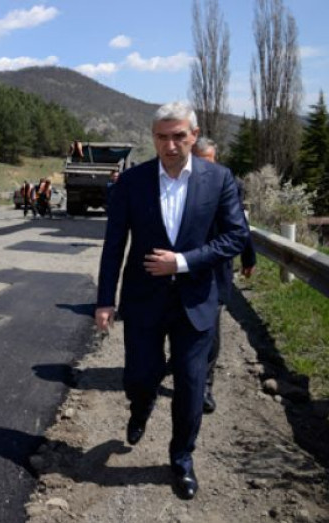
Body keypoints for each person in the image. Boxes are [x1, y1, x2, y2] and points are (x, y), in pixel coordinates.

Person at [95, 101, 249, 500]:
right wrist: (104, 300)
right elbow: (114, 245)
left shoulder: (219, 180)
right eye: (162, 137)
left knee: (191, 386)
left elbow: (236, 236)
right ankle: (141, 405)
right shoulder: (133, 182)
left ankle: (181, 459)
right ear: (153, 138)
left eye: (179, 136)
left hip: (196, 302)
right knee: (139, 377)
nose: (170, 145)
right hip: (144, 300)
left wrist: (182, 262)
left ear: (193, 136)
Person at [191, 137, 257, 414]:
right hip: (185, 265)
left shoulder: (228, 183)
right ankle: (184, 367)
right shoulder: (179, 181)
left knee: (211, 326)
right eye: (201, 162)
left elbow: (239, 223)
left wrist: (248, 256)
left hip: (217, 267)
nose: (206, 169)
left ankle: (205, 386)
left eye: (211, 162)